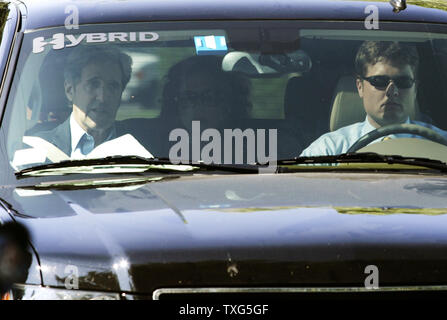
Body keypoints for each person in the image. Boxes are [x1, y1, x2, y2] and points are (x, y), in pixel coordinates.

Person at [300, 41, 447, 157]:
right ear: (360, 86)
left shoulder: (441, 145)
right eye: (379, 81)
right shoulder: (329, 150)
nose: (392, 92)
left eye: (403, 82)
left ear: (415, 89)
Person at [34, 45, 133, 158]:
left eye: (112, 87)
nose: (103, 97)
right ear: (70, 90)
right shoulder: (38, 147)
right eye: (93, 84)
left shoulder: (147, 144)